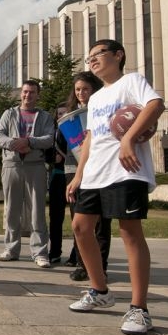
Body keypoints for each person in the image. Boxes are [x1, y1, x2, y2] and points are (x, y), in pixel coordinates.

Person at [67, 39, 164, 335]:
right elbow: (90, 140)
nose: (92, 61)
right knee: (81, 228)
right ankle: (100, 290)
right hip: (95, 172)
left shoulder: (132, 81)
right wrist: (78, 175)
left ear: (118, 55)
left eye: (99, 55)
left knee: (129, 232)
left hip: (125, 171)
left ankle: (139, 308)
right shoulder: (95, 99)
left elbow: (155, 105)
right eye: (89, 57)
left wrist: (128, 138)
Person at [0, 80, 55, 268]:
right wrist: (14, 143)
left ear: (38, 95)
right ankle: (11, 249)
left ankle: (39, 252)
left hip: (35, 166)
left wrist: (29, 142)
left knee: (37, 210)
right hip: (12, 165)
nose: (28, 95)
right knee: (11, 209)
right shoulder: (9, 113)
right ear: (21, 94)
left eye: (32, 92)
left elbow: (49, 138)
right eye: (25, 92)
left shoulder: (44, 116)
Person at [62, 72, 112, 282]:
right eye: (78, 90)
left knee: (101, 221)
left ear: (94, 89)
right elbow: (61, 142)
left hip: (99, 169)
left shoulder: (103, 111)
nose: (81, 93)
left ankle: (101, 266)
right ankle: (83, 265)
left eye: (86, 89)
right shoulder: (69, 115)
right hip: (73, 170)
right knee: (79, 220)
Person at [48, 103, 69, 265]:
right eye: (59, 113)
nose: (61, 116)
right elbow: (47, 154)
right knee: (55, 217)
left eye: (65, 113)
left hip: (74, 176)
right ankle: (55, 252)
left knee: (79, 219)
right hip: (57, 176)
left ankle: (77, 255)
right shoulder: (53, 133)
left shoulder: (76, 131)